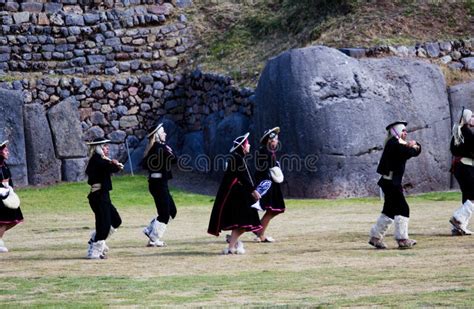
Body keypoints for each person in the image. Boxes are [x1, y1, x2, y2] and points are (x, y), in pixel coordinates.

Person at [368, 121, 421, 249]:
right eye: (403, 130)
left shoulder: (394, 143)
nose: (406, 132)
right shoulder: (394, 144)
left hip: (389, 182)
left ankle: (375, 237)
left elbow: (410, 151)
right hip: (391, 183)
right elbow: (409, 152)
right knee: (403, 208)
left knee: (389, 211)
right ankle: (402, 239)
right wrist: (415, 146)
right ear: (396, 132)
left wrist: (415, 146)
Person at [208, 133, 262, 254]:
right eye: (247, 144)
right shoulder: (237, 158)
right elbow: (243, 178)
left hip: (239, 195)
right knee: (244, 222)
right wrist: (254, 191)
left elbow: (244, 177)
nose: (249, 145)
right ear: (243, 146)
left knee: (243, 222)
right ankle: (231, 246)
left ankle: (232, 244)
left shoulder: (237, 158)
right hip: (237, 197)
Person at [85, 137, 123, 259]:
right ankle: (95, 251)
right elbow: (110, 167)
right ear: (99, 148)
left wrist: (115, 164)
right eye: (105, 146)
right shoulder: (97, 160)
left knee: (116, 220)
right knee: (104, 224)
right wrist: (115, 165)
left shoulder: (100, 160)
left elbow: (110, 167)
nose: (107, 148)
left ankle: (95, 239)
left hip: (103, 195)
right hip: (99, 195)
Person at [142, 123, 177, 247]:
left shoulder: (159, 148)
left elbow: (172, 159)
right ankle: (154, 238)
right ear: (157, 135)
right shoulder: (158, 148)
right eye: (163, 132)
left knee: (172, 211)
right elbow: (174, 159)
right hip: (158, 185)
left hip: (160, 184)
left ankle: (150, 230)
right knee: (165, 214)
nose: (165, 134)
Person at [253, 127, 286, 243]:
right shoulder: (265, 152)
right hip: (267, 185)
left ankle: (259, 230)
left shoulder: (267, 151)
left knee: (273, 210)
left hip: (269, 183)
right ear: (270, 140)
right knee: (272, 210)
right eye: (276, 139)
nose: (277, 141)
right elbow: (266, 169)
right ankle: (259, 233)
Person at [449, 108, 474, 236]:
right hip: (466, 166)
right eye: (472, 116)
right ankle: (458, 219)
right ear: (467, 118)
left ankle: (460, 227)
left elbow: (453, 150)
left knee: (468, 195)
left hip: (459, 167)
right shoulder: (467, 131)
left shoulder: (457, 131)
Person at [0, 140, 24, 253]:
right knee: (3, 221)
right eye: (5, 150)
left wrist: (10, 189)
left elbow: (9, 179)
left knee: (14, 220)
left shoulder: (4, 165)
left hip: (7, 193)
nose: (7, 152)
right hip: (1, 195)